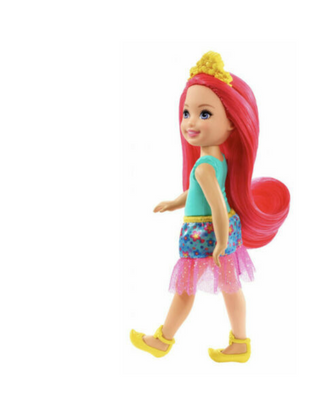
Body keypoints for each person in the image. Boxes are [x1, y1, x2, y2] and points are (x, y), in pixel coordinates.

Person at [130, 51, 290, 363]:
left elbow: (215, 205)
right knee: (230, 288)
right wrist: (175, 203)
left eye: (204, 114)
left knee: (186, 291)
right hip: (221, 228)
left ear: (231, 122)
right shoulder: (216, 160)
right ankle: (240, 343)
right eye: (186, 112)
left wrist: (219, 241)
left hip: (205, 234)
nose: (190, 122)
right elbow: (199, 194)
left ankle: (162, 340)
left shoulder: (205, 166)